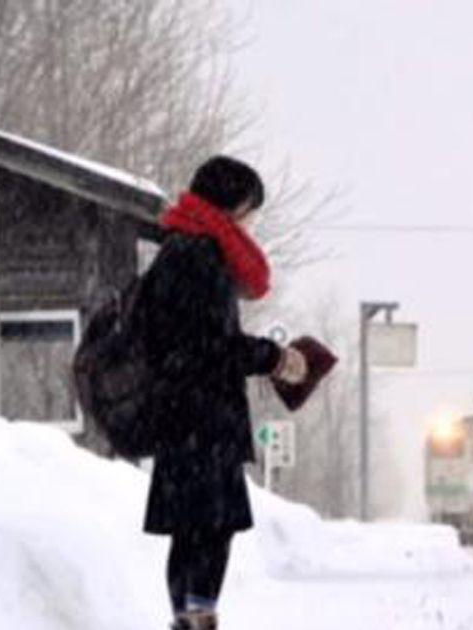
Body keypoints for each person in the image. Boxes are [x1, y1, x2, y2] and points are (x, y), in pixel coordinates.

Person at [134, 156, 307, 630]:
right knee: (211, 528)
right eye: (250, 209)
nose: (251, 222)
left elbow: (177, 339)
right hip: (203, 419)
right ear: (234, 205)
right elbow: (212, 345)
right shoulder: (202, 256)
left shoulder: (175, 250)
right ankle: (197, 619)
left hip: (178, 414)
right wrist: (275, 357)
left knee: (191, 530)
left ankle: (186, 618)